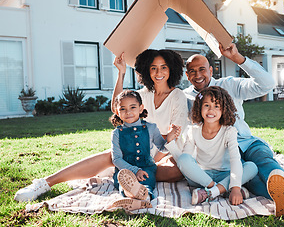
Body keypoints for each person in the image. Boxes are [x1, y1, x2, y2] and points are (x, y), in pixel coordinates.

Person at [14, 49, 188, 202]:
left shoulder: (177, 96)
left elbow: (173, 137)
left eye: (163, 67)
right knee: (111, 156)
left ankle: (129, 179)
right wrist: (121, 74)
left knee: (177, 171)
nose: (159, 72)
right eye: (153, 67)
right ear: (146, 70)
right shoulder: (144, 94)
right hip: (136, 153)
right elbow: (116, 107)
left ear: (171, 69)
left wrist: (145, 160)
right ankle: (44, 183)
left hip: (164, 153)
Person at [183, 43, 284, 218]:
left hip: (246, 141)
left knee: (264, 162)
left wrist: (238, 59)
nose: (198, 75)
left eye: (202, 69)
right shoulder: (185, 98)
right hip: (223, 155)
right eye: (193, 71)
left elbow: (267, 84)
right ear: (187, 75)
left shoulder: (229, 84)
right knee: (251, 180)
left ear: (211, 70)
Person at [169, 86, 258, 205]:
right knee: (184, 159)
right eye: (206, 105)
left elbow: (235, 160)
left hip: (226, 174)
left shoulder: (229, 131)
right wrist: (171, 142)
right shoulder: (193, 130)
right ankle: (221, 190)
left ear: (224, 110)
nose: (211, 110)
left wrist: (236, 188)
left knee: (252, 167)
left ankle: (210, 193)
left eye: (216, 106)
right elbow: (184, 160)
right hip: (202, 177)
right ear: (199, 107)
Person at [109, 90, 180, 210]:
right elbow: (116, 159)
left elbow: (162, 148)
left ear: (141, 108)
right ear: (117, 112)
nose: (128, 112)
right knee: (123, 184)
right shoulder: (116, 133)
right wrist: (134, 171)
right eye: (123, 109)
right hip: (125, 170)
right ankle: (130, 194)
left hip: (147, 167)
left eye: (133, 107)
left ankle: (144, 197)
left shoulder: (151, 128)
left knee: (147, 183)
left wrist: (169, 138)